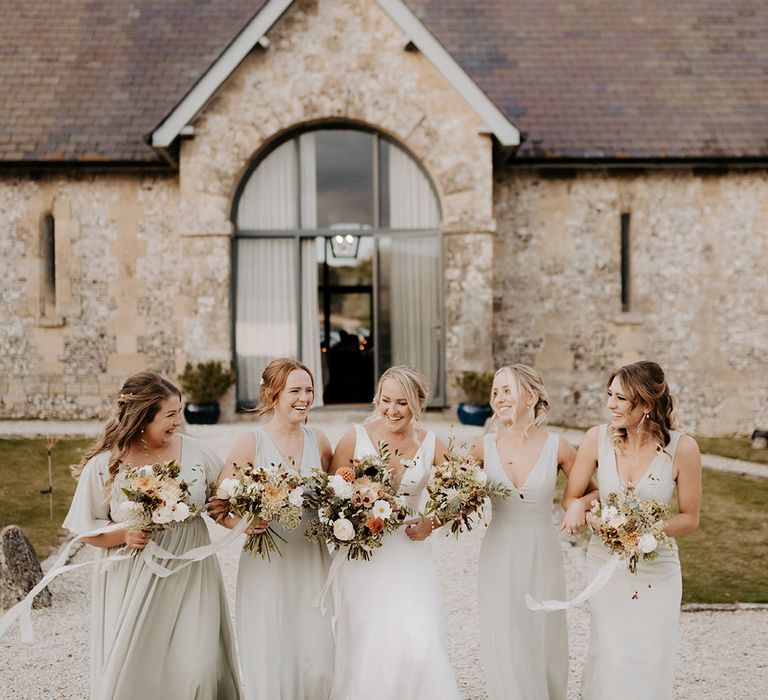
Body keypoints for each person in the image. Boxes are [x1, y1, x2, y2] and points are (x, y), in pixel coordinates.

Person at [63, 371, 241, 700]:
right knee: (138, 671)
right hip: (134, 576)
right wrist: (123, 534)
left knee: (198, 667)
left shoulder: (197, 452)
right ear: (144, 417)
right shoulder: (107, 464)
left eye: (180, 411)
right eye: (170, 414)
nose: (179, 420)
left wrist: (247, 520)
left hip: (191, 570)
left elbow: (221, 505)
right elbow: (84, 529)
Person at [562, 361, 702, 699]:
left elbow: (689, 517)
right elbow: (570, 497)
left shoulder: (683, 449)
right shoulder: (596, 439)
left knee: (651, 656)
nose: (610, 404)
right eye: (609, 395)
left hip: (659, 570)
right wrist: (596, 518)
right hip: (606, 563)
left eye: (621, 399)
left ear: (647, 404)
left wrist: (646, 533)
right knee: (611, 653)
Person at [327, 365, 461, 700]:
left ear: (418, 402)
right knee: (370, 641)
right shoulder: (354, 438)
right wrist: (353, 516)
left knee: (421, 639)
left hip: (410, 555)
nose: (391, 410)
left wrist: (433, 522)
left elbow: (465, 493)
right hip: (365, 557)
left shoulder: (433, 444)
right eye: (385, 400)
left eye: (401, 402)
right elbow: (331, 495)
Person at [209, 358, 334, 700]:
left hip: (312, 558)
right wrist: (244, 524)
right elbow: (218, 505)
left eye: (309, 390)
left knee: (318, 652)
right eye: (295, 390)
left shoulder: (320, 441)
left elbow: (339, 494)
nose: (304, 398)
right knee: (271, 649)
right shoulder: (251, 442)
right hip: (266, 563)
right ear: (272, 394)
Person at [471, 365, 581, 700]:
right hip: (500, 548)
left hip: (541, 549)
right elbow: (452, 494)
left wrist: (577, 504)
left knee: (543, 631)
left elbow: (591, 491)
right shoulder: (482, 447)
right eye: (495, 391)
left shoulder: (558, 447)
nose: (498, 398)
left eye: (507, 390)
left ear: (530, 396)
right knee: (505, 632)